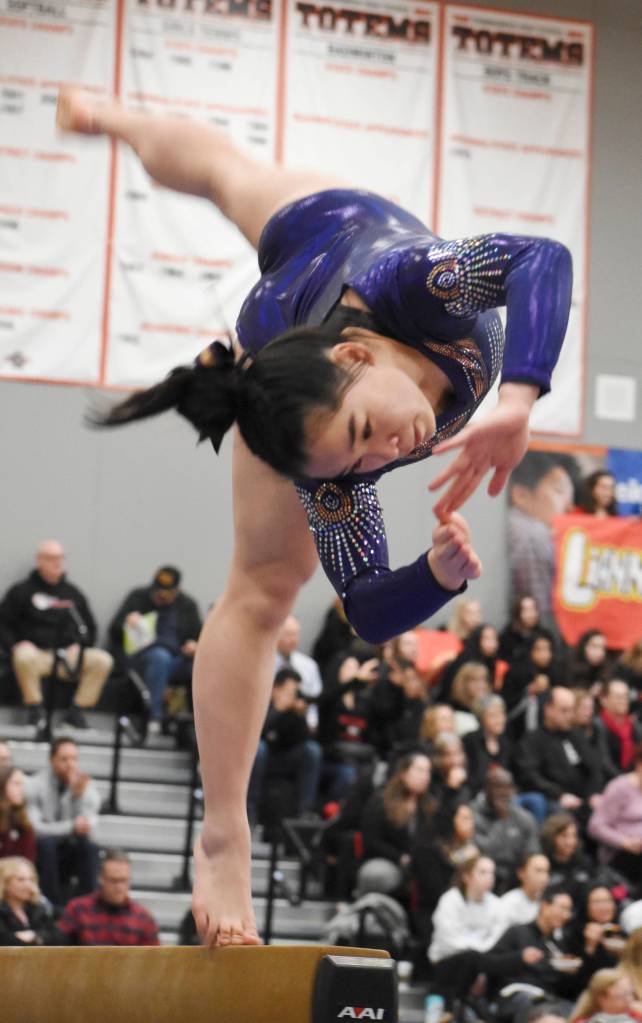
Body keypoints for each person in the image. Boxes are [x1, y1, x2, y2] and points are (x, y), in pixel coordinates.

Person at [57, 84, 572, 946]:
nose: (386, 457)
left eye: (370, 435)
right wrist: (435, 574)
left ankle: (122, 118)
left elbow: (541, 260)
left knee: (227, 175)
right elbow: (366, 605)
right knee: (264, 589)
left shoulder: (418, 285)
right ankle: (224, 832)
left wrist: (519, 399)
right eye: (361, 464)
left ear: (359, 355)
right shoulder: (337, 462)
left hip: (334, 228)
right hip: (280, 353)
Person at [0, 540, 113, 730]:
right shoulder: (22, 591)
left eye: (61, 558)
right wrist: (15, 644)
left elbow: (89, 628)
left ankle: (76, 713)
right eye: (51, 558)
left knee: (102, 660)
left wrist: (79, 645)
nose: (57, 563)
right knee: (23, 655)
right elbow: (3, 624)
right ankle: (35, 712)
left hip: (67, 656)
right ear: (39, 561)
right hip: (36, 656)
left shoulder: (72, 594)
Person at [109, 565, 202, 734]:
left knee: (198, 668)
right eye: (157, 591)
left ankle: (197, 725)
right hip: (143, 657)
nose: (161, 596)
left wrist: (194, 646)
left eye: (166, 593)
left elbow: (199, 637)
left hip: (177, 658)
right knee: (160, 657)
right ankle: (154, 717)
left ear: (177, 590)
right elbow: (114, 630)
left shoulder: (188, 605)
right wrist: (126, 623)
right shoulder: (138, 597)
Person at [485, 884, 579, 1023]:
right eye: (562, 908)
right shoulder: (517, 932)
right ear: (544, 905)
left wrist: (569, 972)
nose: (566, 915)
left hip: (548, 997)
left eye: (569, 910)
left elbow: (562, 986)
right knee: (532, 1006)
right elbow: (488, 963)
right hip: (516, 994)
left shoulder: (557, 944)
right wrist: (519, 958)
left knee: (572, 1009)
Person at [506, 451, 578, 631]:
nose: (569, 506)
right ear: (521, 495)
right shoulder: (533, 534)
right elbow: (540, 604)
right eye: (559, 491)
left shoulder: (510, 525)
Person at [24, 737, 101, 906]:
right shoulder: (34, 784)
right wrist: (71, 827)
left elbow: (88, 827)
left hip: (71, 851)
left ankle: (90, 906)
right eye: (64, 759)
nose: (70, 764)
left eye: (74, 759)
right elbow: (35, 829)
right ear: (51, 760)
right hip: (43, 853)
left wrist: (77, 797)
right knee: (47, 844)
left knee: (89, 848)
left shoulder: (85, 786)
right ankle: (51, 906)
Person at [246, 668, 323, 826]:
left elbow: (302, 740)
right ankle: (249, 811)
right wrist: (277, 711)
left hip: (285, 759)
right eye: (288, 692)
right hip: (261, 759)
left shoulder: (293, 712)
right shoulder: (261, 704)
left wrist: (300, 717)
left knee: (312, 750)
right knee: (259, 749)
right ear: (275, 689)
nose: (291, 697)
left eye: (294, 693)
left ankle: (304, 812)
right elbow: (254, 734)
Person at [428, 853, 507, 1005]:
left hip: (483, 961)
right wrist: (478, 954)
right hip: (447, 961)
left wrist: (480, 960)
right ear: (466, 877)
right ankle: (456, 1004)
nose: (489, 877)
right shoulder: (450, 900)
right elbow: (449, 940)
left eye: (492, 873)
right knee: (471, 959)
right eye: (483, 872)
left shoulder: (497, 905)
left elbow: (497, 938)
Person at [517, 687, 604, 821]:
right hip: (555, 800)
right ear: (548, 709)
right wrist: (559, 795)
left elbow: (594, 767)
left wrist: (594, 793)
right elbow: (530, 776)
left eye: (571, 710)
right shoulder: (532, 740)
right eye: (564, 710)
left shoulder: (576, 735)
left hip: (584, 798)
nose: (569, 716)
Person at [356, 752, 433, 897]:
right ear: (404, 773)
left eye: (428, 771)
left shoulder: (430, 806)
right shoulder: (381, 801)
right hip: (388, 860)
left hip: (420, 864)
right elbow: (371, 840)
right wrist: (399, 857)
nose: (426, 776)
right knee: (378, 875)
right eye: (420, 770)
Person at [57, 849, 160, 946]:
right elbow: (57, 949)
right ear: (101, 878)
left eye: (124, 880)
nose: (119, 887)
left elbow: (154, 957)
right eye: (114, 881)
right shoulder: (78, 910)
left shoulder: (143, 919)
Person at [472, 767, 540, 892]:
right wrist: (501, 820)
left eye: (508, 787)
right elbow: (484, 853)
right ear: (487, 788)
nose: (503, 792)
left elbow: (532, 854)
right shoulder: (473, 815)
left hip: (516, 880)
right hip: (485, 879)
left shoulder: (524, 818)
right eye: (498, 787)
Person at [588, 743, 642, 891]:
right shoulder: (619, 788)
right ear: (639, 763)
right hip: (622, 854)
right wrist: (624, 842)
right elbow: (595, 826)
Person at [0, 857, 64, 946]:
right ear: (4, 882)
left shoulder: (40, 906)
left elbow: (59, 937)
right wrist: (16, 939)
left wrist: (36, 936)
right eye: (21, 879)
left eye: (31, 879)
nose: (28, 885)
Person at [463, 694, 511, 791]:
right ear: (481, 718)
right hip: (476, 792)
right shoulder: (470, 740)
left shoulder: (504, 742)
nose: (499, 720)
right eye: (493, 715)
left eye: (501, 714)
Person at [540, 814, 593, 898]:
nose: (570, 842)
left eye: (574, 836)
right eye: (564, 836)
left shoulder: (584, 862)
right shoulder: (543, 863)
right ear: (552, 837)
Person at [570, 968, 642, 1023]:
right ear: (602, 999)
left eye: (630, 993)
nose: (629, 1000)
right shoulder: (587, 1021)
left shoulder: (634, 1013)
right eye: (622, 996)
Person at [599, 681, 642, 773]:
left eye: (626, 696)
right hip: (611, 778)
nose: (623, 701)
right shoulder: (598, 726)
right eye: (618, 697)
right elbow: (604, 762)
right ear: (604, 700)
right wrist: (624, 780)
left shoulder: (634, 725)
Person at [500, 853, 551, 927]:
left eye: (547, 871)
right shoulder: (508, 903)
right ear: (522, 873)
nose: (544, 877)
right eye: (538, 870)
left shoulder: (548, 902)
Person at [499, 596, 552, 665]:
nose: (531, 614)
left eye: (533, 609)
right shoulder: (507, 636)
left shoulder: (544, 634)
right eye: (526, 610)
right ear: (517, 612)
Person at [0, 766, 36, 862]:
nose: (22, 789)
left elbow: (28, 858)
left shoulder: (23, 821)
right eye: (16, 784)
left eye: (22, 784)